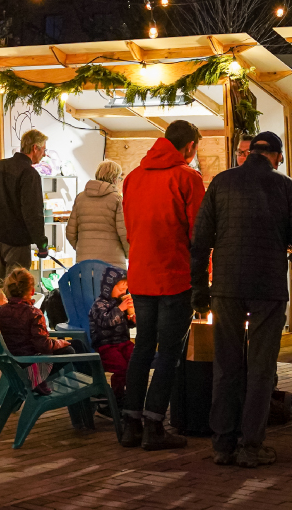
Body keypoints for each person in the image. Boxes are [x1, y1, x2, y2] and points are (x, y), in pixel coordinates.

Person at [191, 131, 292, 469]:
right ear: (276, 156)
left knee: (226, 367)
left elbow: (200, 241)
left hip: (226, 286)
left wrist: (200, 291)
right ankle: (252, 446)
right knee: (260, 368)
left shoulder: (221, 183)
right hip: (268, 288)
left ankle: (223, 444)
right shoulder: (286, 187)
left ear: (250, 153)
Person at [118, 120, 206, 451]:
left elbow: (130, 228)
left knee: (143, 348)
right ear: (190, 147)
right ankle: (155, 425)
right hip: (173, 276)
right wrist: (203, 276)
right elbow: (198, 233)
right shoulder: (187, 177)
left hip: (141, 275)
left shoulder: (133, 177)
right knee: (168, 353)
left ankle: (131, 424)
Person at [0, 267, 75, 391]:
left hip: (14, 364)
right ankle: (93, 390)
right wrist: (59, 343)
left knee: (75, 347)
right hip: (32, 365)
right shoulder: (33, 313)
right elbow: (43, 345)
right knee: (71, 350)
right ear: (31, 291)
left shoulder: (0, 311)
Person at [0, 129, 51, 274]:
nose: (44, 154)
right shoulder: (29, 173)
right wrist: (41, 243)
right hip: (18, 242)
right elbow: (33, 212)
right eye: (43, 149)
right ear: (35, 148)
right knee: (16, 289)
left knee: (0, 289)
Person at [67, 160, 128, 266]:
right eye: (119, 178)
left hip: (85, 263)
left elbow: (70, 232)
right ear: (114, 179)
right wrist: (128, 254)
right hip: (112, 263)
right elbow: (124, 232)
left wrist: (82, 249)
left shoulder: (80, 198)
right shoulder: (117, 199)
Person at [88, 268, 136, 399]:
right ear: (108, 288)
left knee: (136, 361)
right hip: (106, 345)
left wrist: (132, 319)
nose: (123, 292)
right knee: (121, 368)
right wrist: (120, 309)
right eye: (120, 289)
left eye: (125, 289)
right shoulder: (98, 305)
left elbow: (126, 323)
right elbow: (106, 322)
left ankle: (133, 394)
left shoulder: (120, 302)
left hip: (123, 342)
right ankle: (117, 395)